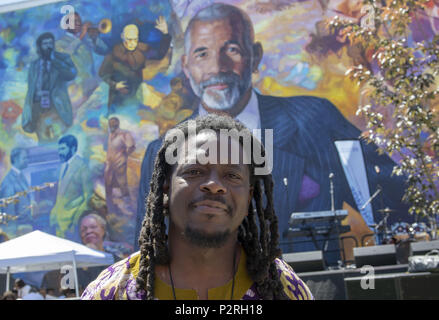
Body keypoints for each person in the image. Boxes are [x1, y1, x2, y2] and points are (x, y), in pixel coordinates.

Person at [135, 3, 411, 265]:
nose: (217, 67)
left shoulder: (316, 120)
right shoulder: (164, 152)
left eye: (231, 49)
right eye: (202, 53)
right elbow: (149, 251)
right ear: (186, 66)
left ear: (255, 56)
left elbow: (399, 203)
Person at [82, 115, 313, 300]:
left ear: (249, 196)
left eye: (232, 175)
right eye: (194, 171)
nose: (214, 185)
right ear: (165, 186)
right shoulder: (111, 292)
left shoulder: (284, 290)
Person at [99, 19, 171, 115]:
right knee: (115, 114)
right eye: (129, 39)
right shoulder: (113, 53)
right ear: (123, 37)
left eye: (135, 39)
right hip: (118, 95)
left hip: (136, 91)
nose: (132, 43)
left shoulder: (142, 48)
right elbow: (102, 73)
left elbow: (159, 54)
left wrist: (165, 34)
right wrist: (114, 85)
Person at [22, 32, 77, 143]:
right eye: (45, 43)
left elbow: (72, 74)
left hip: (56, 107)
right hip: (38, 107)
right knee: (43, 139)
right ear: (39, 46)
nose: (48, 46)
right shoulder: (34, 65)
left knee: (59, 138)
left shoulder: (63, 59)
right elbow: (31, 87)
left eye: (50, 43)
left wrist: (54, 60)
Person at [56, 12, 109, 107]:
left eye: (79, 21)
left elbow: (104, 50)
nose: (79, 23)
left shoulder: (85, 39)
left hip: (92, 83)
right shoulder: (60, 42)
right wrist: (81, 36)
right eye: (74, 21)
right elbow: (64, 55)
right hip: (76, 87)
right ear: (66, 25)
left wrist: (95, 38)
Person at [50, 135, 92, 239]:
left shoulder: (83, 167)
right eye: (59, 149)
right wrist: (54, 212)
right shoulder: (63, 166)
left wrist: (75, 219)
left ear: (73, 149)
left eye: (63, 149)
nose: (60, 152)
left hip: (72, 224)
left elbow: (88, 196)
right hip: (58, 222)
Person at [104, 117, 136, 211]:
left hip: (120, 162)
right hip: (109, 163)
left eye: (113, 123)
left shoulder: (124, 134)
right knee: (108, 182)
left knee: (122, 182)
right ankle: (110, 205)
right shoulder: (110, 135)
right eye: (110, 124)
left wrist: (124, 156)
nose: (111, 125)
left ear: (117, 123)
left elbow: (131, 147)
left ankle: (127, 204)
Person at [0, 148, 33, 236]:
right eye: (24, 158)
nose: (27, 160)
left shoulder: (21, 176)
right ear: (15, 159)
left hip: (24, 225)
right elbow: (8, 208)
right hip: (16, 229)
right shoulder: (8, 181)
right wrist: (13, 230)